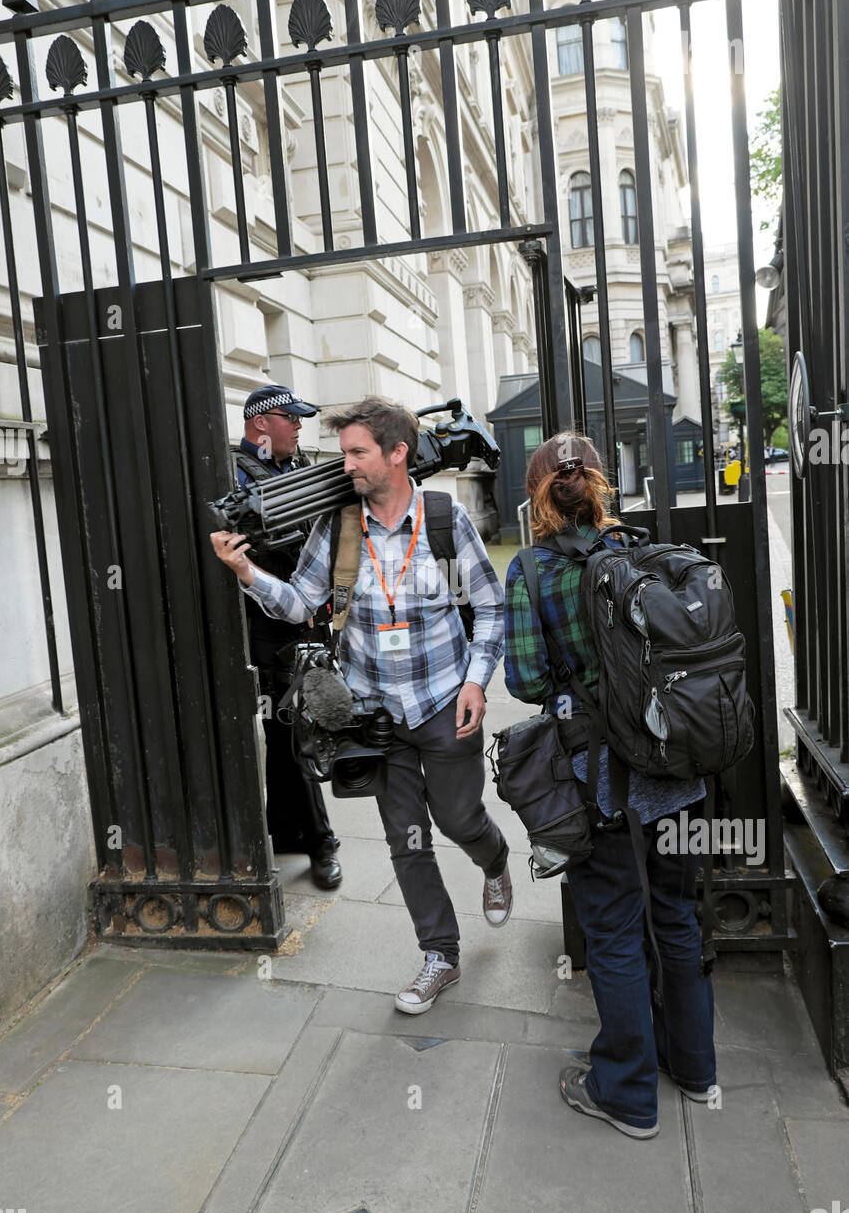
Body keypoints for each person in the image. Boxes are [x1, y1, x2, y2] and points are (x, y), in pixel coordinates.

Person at [211, 397, 511, 1013]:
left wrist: (478, 682)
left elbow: (490, 607)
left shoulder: (445, 520)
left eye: (357, 452)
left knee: (459, 820)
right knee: (408, 839)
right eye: (343, 451)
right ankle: (440, 955)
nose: (344, 465)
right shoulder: (340, 527)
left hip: (445, 703)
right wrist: (246, 573)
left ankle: (496, 859)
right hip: (375, 718)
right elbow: (299, 605)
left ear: (397, 454)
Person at [504, 432, 716, 1139]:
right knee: (678, 919)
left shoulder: (531, 572)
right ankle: (694, 1068)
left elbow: (527, 681)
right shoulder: (641, 550)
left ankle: (625, 1093)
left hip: (603, 784)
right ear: (600, 485)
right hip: (679, 769)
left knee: (616, 933)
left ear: (535, 497)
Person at [234, 384, 342, 891]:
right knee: (290, 731)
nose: (299, 426)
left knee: (300, 727)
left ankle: (304, 836)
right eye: (290, 418)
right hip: (263, 623)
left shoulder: (297, 470)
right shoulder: (235, 473)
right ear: (261, 422)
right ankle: (317, 842)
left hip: (305, 617)